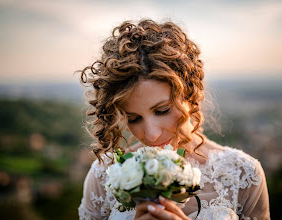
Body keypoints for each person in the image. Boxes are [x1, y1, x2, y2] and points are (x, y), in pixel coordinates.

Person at [78, 19, 270, 220]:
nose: (152, 135)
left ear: (192, 96)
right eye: (133, 118)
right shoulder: (104, 177)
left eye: (162, 110)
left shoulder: (243, 175)